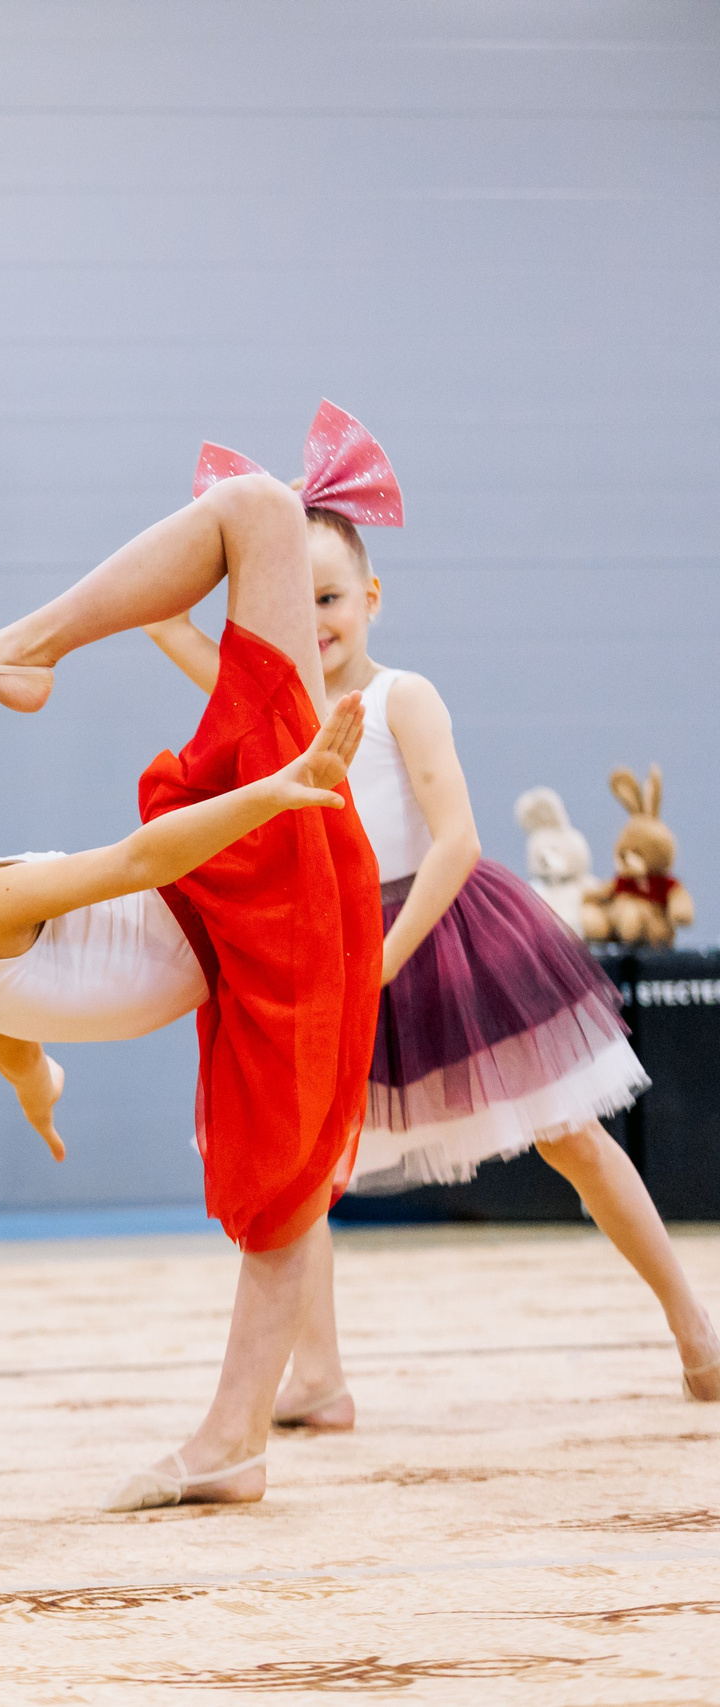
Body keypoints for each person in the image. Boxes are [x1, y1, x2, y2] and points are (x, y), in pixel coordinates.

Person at [0, 420, 396, 1511]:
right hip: (248, 898)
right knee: (281, 1191)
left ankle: (5, 656)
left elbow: (139, 858)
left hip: (249, 859)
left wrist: (285, 786)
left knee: (257, 510)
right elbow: (14, 1047)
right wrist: (39, 1099)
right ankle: (232, 1441)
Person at [145, 415, 719, 1414]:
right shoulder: (271, 703)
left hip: (436, 938)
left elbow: (456, 842)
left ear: (369, 598)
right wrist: (250, 520)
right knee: (300, 1172)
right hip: (330, 944)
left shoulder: (404, 696)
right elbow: (160, 618)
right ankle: (317, 1378)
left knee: (571, 1136)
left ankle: (693, 1327)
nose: (311, 619)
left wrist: (383, 958)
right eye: (290, 599)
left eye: (328, 597)